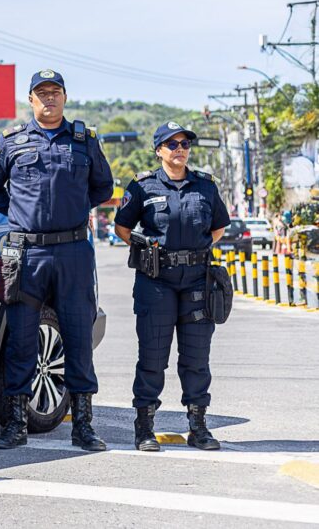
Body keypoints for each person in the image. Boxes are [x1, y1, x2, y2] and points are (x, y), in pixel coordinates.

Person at [0, 70, 114, 451]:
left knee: (78, 337)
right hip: (27, 253)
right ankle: (16, 424)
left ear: (65, 97)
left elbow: (103, 187)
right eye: (42, 93)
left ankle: (83, 425)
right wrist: (23, 214)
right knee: (22, 339)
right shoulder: (11, 142)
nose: (49, 98)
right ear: (31, 100)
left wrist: (73, 209)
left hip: (73, 252)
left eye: (55, 92)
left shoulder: (84, 141)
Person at [114, 122, 229, 452]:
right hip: (156, 281)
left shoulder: (205, 186)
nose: (180, 149)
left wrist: (194, 251)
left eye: (184, 144)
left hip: (196, 280)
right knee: (152, 356)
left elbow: (218, 227)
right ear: (158, 151)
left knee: (196, 357)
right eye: (172, 144)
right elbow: (123, 227)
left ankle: (198, 427)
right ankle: (144, 428)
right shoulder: (143, 186)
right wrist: (147, 250)